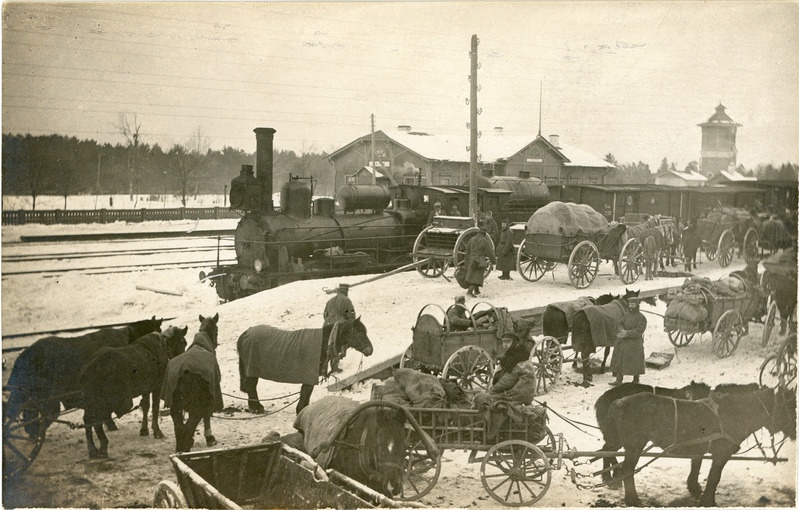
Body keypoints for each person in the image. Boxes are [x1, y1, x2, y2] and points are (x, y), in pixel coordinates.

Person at [474, 333, 536, 408]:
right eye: (504, 342)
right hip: (517, 391)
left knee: (482, 398)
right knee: (483, 396)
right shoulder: (513, 355)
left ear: (515, 343)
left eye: (508, 342)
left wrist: (491, 391)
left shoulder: (518, 358)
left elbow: (507, 381)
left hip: (519, 394)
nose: (505, 344)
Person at [608, 297, 647, 386]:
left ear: (637, 305)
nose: (631, 306)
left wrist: (627, 333)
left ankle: (636, 379)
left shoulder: (641, 317)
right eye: (630, 304)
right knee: (619, 359)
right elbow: (620, 323)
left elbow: (639, 331)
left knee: (635, 361)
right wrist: (621, 330)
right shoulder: (626, 315)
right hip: (623, 341)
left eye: (633, 304)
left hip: (634, 343)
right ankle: (619, 379)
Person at [464, 219, 496, 297]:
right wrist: (494, 261)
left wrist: (466, 260)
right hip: (479, 260)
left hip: (471, 259)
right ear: (484, 234)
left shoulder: (472, 239)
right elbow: (490, 252)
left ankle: (476, 290)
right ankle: (469, 292)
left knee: (472, 275)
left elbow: (467, 250)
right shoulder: (484, 241)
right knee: (478, 276)